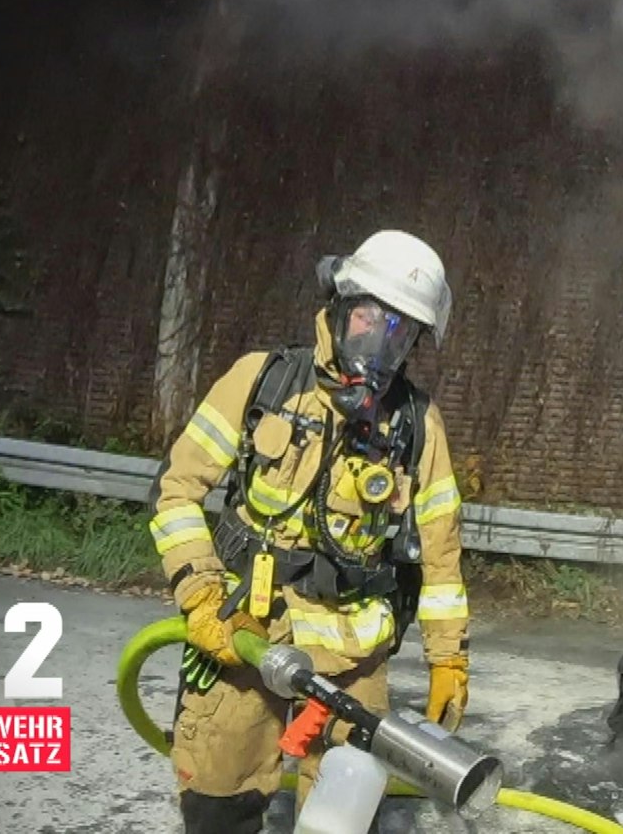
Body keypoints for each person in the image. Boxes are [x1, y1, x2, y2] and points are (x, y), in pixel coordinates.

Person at [147, 230, 471, 833]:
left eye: (399, 331)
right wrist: (200, 593)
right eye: (369, 317)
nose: (379, 341)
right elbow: (175, 490)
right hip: (246, 637)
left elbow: (442, 559)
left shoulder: (418, 427)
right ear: (341, 305)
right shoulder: (262, 381)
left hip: (353, 660)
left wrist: (448, 657)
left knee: (344, 821)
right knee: (217, 805)